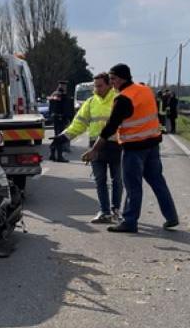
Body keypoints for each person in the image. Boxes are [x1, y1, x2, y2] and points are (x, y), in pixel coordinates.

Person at [83, 63, 179, 233]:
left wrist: (95, 149)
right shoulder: (145, 90)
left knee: (133, 186)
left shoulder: (123, 98)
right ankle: (171, 217)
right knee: (158, 182)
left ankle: (130, 221)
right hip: (152, 144)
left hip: (134, 148)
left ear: (120, 79)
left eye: (112, 79)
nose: (111, 82)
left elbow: (111, 126)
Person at [53, 73, 122, 223]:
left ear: (109, 85)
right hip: (95, 147)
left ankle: (115, 210)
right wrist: (64, 136)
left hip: (117, 145)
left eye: (99, 86)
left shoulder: (118, 99)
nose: (96, 89)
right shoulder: (90, 102)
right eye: (94, 86)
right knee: (100, 180)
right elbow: (79, 123)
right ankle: (105, 212)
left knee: (117, 180)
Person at [48, 84, 68, 162]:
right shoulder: (61, 96)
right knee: (59, 138)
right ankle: (59, 156)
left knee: (57, 137)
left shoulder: (53, 95)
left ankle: (52, 154)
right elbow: (64, 107)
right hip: (60, 119)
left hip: (55, 119)